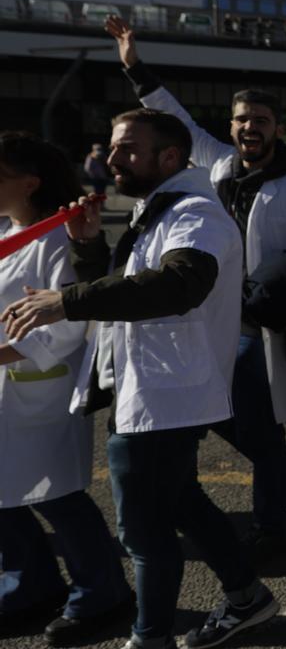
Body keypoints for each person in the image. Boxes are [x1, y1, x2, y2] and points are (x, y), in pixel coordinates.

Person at [3, 110, 277, 649]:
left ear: (170, 157)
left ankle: (149, 638)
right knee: (181, 503)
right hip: (148, 389)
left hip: (166, 396)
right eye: (111, 147)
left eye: (127, 149)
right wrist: (87, 251)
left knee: (144, 534)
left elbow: (176, 285)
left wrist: (67, 299)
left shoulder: (195, 214)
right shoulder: (159, 210)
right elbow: (127, 290)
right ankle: (248, 596)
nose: (111, 159)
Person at [104, 16, 286, 557]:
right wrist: (133, 65)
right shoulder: (215, 164)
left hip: (256, 326)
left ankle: (268, 523)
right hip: (207, 318)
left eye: (260, 120)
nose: (249, 129)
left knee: (255, 427)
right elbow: (174, 116)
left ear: (276, 129)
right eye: (242, 120)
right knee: (211, 414)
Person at [0, 134, 133, 647]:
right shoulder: (6, 234)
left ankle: (102, 593)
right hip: (6, 393)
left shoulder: (56, 240)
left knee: (59, 499)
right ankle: (28, 586)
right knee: (5, 500)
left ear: (29, 183)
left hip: (41, 393)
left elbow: (66, 328)